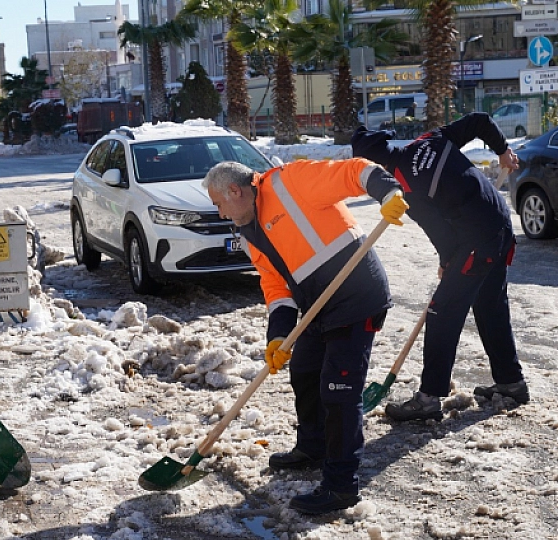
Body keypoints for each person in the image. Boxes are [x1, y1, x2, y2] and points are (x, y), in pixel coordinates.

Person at [203, 159, 408, 515]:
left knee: (339, 392)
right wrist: (278, 336)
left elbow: (354, 171)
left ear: (235, 191)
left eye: (219, 204)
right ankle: (314, 447)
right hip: (317, 306)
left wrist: (388, 191)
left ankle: (341, 486)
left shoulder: (290, 182)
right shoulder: (249, 231)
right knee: (304, 372)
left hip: (355, 296)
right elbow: (275, 287)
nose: (220, 214)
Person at [351, 112, 528, 422]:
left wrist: (448, 262)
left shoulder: (406, 185)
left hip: (478, 239)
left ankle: (429, 398)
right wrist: (502, 150)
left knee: (441, 310)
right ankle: (511, 383)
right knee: (490, 307)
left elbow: (440, 232)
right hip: (499, 223)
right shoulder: (429, 140)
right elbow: (480, 121)